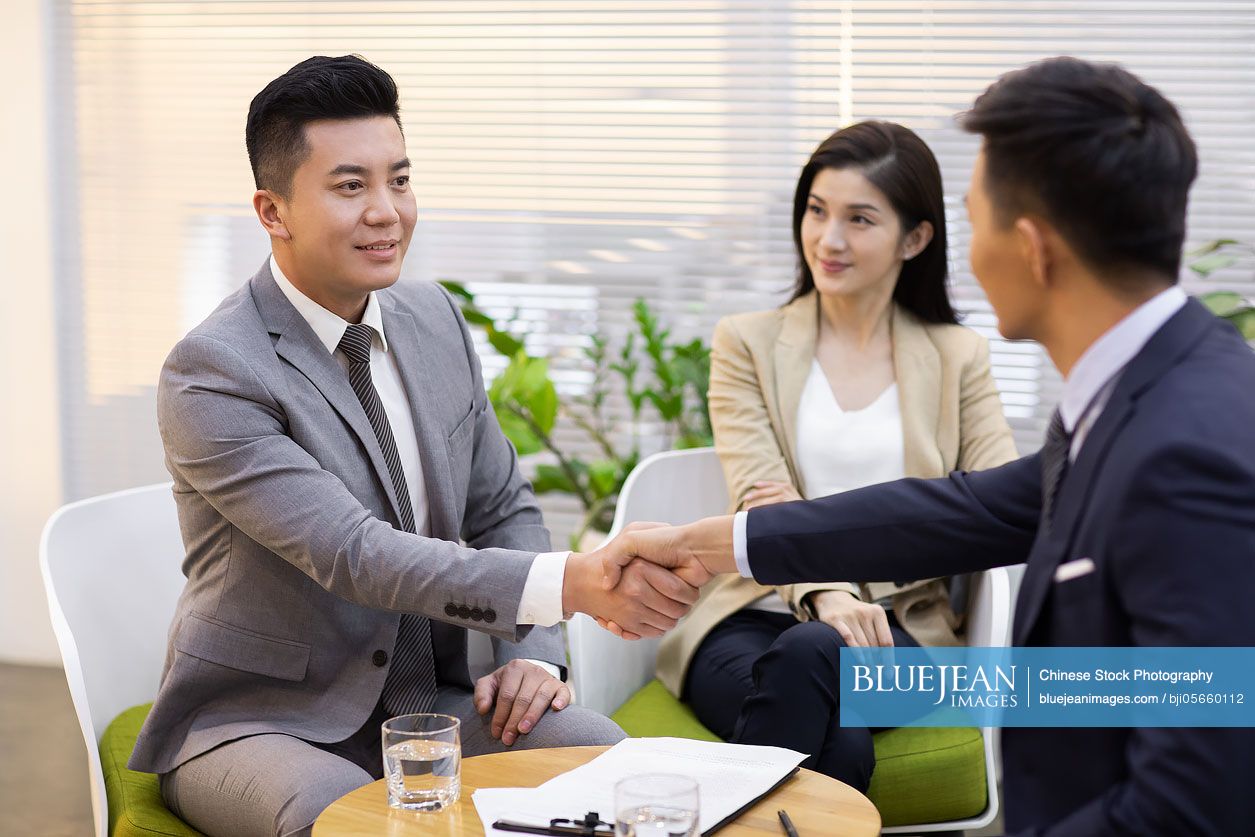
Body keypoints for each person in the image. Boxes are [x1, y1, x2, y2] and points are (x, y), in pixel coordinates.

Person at [605, 57, 1255, 835]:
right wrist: (706, 542)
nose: (970, 253)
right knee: (828, 696)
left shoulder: (1190, 445)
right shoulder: (1136, 395)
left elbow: (1197, 782)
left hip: (928, 668)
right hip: (784, 627)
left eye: (974, 221)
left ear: (1032, 247)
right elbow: (963, 508)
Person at [129, 55, 696, 837]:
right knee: (351, 819)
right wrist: (576, 581)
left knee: (603, 761)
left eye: (399, 179)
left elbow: (502, 505)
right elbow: (356, 554)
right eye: (350, 185)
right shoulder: (215, 369)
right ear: (273, 210)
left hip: (439, 706)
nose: (387, 211)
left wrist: (535, 649)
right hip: (266, 722)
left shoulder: (433, 321)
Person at [654, 121, 1017, 789]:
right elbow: (757, 493)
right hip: (750, 616)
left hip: (902, 633)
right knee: (839, 742)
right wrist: (825, 591)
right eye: (816, 211)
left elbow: (994, 503)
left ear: (914, 238)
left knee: (815, 654)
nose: (828, 238)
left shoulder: (957, 356)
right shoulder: (747, 343)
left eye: (859, 219)